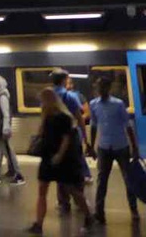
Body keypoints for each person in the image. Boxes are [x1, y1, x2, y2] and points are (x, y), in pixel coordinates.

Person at [27, 88, 93, 235]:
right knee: (43, 191)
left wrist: (59, 155)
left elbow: (66, 138)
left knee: (73, 191)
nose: (41, 104)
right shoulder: (47, 116)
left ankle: (88, 215)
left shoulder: (63, 117)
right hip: (48, 158)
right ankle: (38, 224)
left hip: (62, 160)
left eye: (43, 101)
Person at [89, 77, 140, 225]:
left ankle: (134, 209)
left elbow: (128, 126)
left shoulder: (118, 104)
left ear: (108, 88)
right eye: (99, 87)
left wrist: (134, 148)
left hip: (121, 146)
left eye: (103, 87)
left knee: (128, 180)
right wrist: (91, 147)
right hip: (104, 147)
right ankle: (99, 212)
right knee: (101, 181)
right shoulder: (93, 105)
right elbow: (93, 126)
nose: (101, 90)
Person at [50, 68, 94, 212]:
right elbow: (80, 119)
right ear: (64, 80)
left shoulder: (47, 96)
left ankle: (63, 202)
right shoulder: (71, 97)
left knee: (60, 171)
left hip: (55, 139)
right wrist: (86, 140)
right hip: (72, 138)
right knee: (75, 169)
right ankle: (80, 201)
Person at [0, 72, 25, 185]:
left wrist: (6, 128)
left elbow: (6, 114)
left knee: (9, 151)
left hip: (3, 129)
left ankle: (18, 175)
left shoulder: (2, 97)